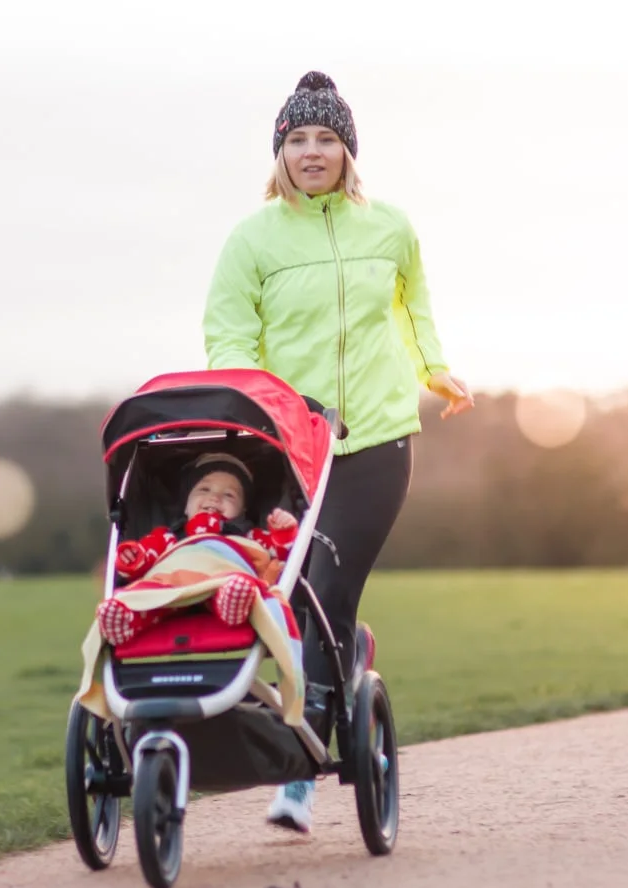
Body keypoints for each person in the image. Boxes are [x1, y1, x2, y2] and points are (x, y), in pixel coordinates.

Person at [201, 70, 474, 834]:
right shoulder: (251, 239)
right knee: (287, 595)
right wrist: (253, 403)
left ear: (349, 151)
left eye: (326, 138)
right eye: (298, 139)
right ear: (280, 152)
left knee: (327, 588)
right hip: (289, 446)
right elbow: (229, 334)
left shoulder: (390, 227)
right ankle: (338, 664)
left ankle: (300, 772)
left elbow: (413, 307)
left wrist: (434, 369)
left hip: (377, 439)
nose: (313, 151)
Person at [95, 453, 299, 645]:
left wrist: (283, 533)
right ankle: (128, 617)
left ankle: (232, 605)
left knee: (237, 584)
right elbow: (146, 554)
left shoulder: (249, 535)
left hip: (221, 582)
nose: (215, 498)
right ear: (186, 505)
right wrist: (133, 558)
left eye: (229, 495)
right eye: (204, 489)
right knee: (149, 591)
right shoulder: (168, 536)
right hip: (173, 587)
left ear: (242, 511)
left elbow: (280, 556)